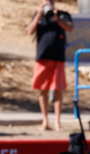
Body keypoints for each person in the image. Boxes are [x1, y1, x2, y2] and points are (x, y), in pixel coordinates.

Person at [28, 0, 73, 132]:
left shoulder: (62, 14)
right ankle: (45, 121)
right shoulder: (38, 15)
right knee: (43, 89)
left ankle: (57, 122)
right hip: (42, 56)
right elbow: (30, 31)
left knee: (58, 89)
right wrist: (39, 14)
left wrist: (56, 18)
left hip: (58, 57)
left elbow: (70, 28)